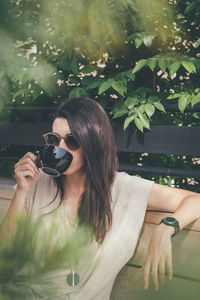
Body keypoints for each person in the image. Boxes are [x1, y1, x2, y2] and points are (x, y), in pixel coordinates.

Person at [1, 97, 200, 299]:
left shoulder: (124, 188)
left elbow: (195, 200)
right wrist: (22, 191)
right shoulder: (37, 183)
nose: (61, 148)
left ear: (92, 142)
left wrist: (166, 227)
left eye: (72, 140)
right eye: (54, 140)